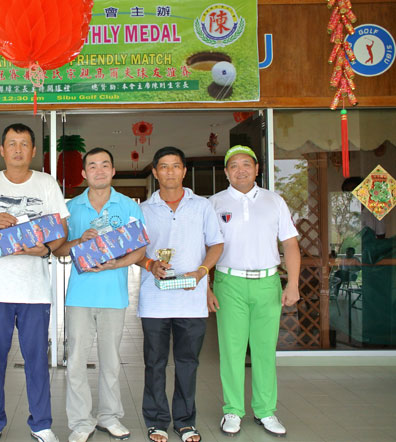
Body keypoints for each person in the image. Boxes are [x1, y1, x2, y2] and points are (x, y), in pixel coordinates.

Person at [0, 123, 69, 442]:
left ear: (33, 151)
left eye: (24, 143)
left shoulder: (46, 183)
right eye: (12, 143)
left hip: (34, 292)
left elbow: (62, 231)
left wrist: (45, 249)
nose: (18, 149)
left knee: (36, 361)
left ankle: (41, 424)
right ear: (2, 149)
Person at [53, 147, 146, 442]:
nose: (99, 170)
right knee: (76, 362)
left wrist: (116, 263)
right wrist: (79, 241)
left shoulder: (128, 206)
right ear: (84, 173)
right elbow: (58, 250)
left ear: (113, 171)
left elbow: (140, 249)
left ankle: (109, 416)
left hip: (113, 296)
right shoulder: (72, 208)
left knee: (111, 362)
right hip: (79, 296)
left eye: (105, 164)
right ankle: (81, 422)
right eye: (92, 165)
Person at [207, 145, 300, 437]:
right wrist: (205, 287)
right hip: (229, 282)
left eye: (246, 164)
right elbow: (204, 248)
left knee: (264, 350)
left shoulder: (275, 201)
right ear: (226, 172)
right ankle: (233, 410)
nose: (241, 170)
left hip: (267, 283)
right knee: (231, 350)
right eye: (233, 165)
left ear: (257, 169)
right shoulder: (214, 203)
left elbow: (290, 244)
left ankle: (265, 411)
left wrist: (293, 283)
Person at [136, 147, 224, 442]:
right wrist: (150, 264)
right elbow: (133, 252)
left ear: (184, 171)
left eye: (176, 166)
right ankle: (156, 421)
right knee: (155, 364)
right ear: (155, 172)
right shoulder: (143, 210)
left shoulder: (202, 206)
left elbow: (216, 244)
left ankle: (185, 422)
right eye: (164, 166)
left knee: (188, 363)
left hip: (191, 300)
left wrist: (201, 272)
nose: (170, 171)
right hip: (154, 301)